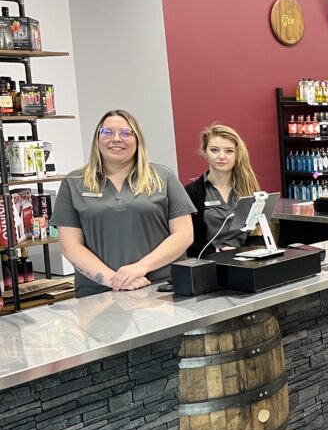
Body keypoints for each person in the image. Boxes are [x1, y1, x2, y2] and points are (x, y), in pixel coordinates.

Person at [52, 109, 195, 298]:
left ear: (138, 139)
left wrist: (140, 268)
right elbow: (70, 246)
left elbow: (184, 234)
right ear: (97, 138)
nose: (116, 139)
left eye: (126, 133)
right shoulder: (73, 182)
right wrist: (115, 280)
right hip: (98, 293)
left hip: (161, 289)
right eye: (108, 132)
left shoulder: (163, 178)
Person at [185, 124, 261, 256]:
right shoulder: (192, 193)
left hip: (247, 262)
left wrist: (243, 252)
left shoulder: (249, 188)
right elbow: (187, 241)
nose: (221, 156)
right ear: (205, 152)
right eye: (214, 150)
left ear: (237, 154)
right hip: (209, 263)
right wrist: (217, 252)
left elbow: (257, 233)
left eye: (229, 151)